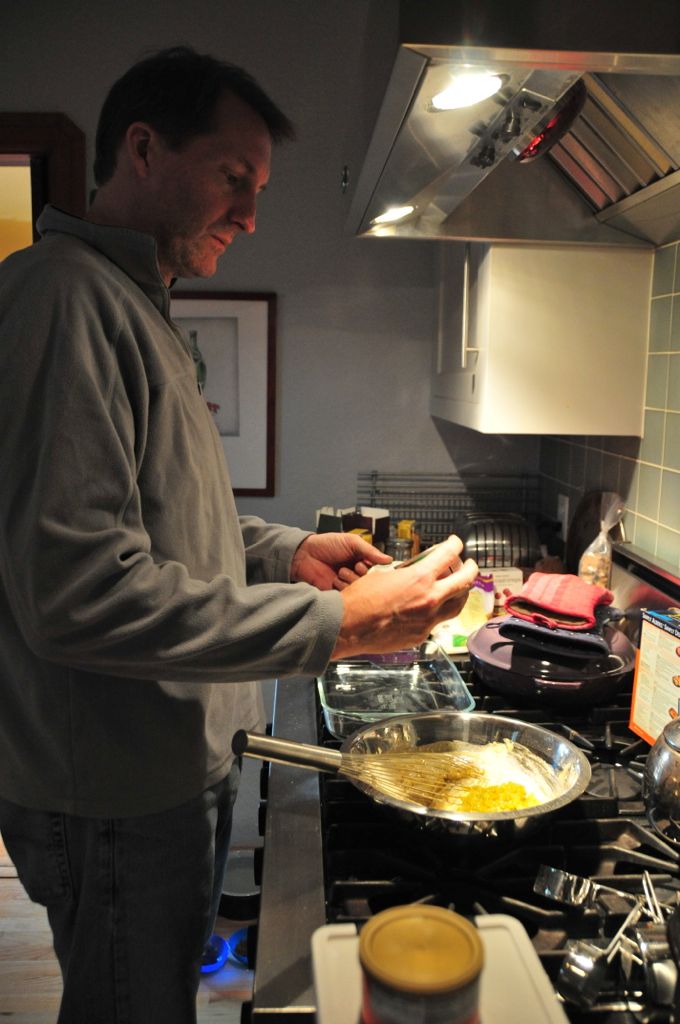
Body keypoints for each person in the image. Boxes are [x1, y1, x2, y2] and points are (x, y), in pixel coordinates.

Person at [0, 46, 478, 1024]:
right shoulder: (63, 298)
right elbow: (79, 593)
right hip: (116, 790)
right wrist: (340, 623)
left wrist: (283, 552)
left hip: (167, 769)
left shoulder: (131, 305)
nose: (252, 214)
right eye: (233, 177)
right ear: (143, 149)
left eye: (259, 187)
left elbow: (161, 518)